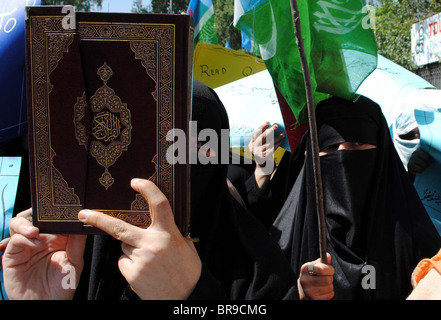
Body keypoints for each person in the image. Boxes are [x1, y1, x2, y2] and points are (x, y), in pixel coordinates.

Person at [1, 80, 335, 300]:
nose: (167, 174)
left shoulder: (260, 273)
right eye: (148, 153)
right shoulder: (75, 258)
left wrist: (192, 294)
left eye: (191, 153)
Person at [270, 95, 441, 300]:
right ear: (312, 156)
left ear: (381, 149)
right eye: (330, 147)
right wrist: (298, 292)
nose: (343, 156)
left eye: (358, 143)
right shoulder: (283, 241)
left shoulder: (417, 240)